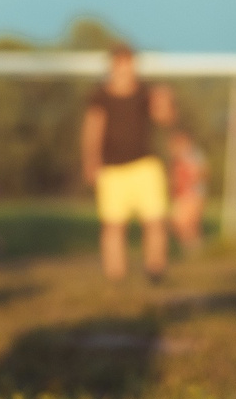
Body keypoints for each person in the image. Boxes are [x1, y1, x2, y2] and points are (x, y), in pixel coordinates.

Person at [81, 44, 176, 284]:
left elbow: (164, 120)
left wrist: (164, 102)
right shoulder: (100, 96)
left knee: (154, 221)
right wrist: (91, 161)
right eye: (120, 66)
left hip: (145, 166)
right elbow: (92, 130)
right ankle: (116, 276)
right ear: (112, 67)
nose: (125, 71)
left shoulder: (146, 93)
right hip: (112, 169)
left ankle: (156, 270)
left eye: (129, 65)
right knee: (113, 225)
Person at [165, 127, 209, 257]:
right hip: (181, 195)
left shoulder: (193, 156)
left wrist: (190, 182)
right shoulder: (176, 159)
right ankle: (192, 250)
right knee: (179, 223)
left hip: (192, 194)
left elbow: (202, 173)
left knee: (188, 224)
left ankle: (194, 251)